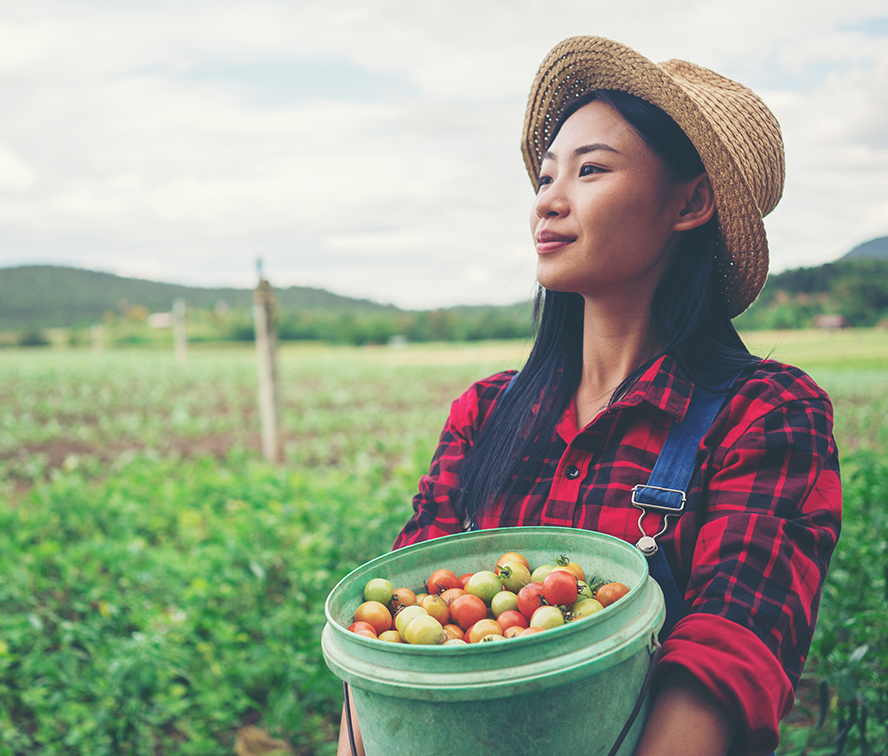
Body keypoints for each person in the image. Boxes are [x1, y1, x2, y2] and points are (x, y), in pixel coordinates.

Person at [338, 36, 841, 756]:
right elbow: (387, 630)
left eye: (591, 170)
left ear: (691, 201)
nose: (549, 200)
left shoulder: (765, 416)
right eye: (545, 178)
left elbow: (732, 646)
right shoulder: (484, 417)